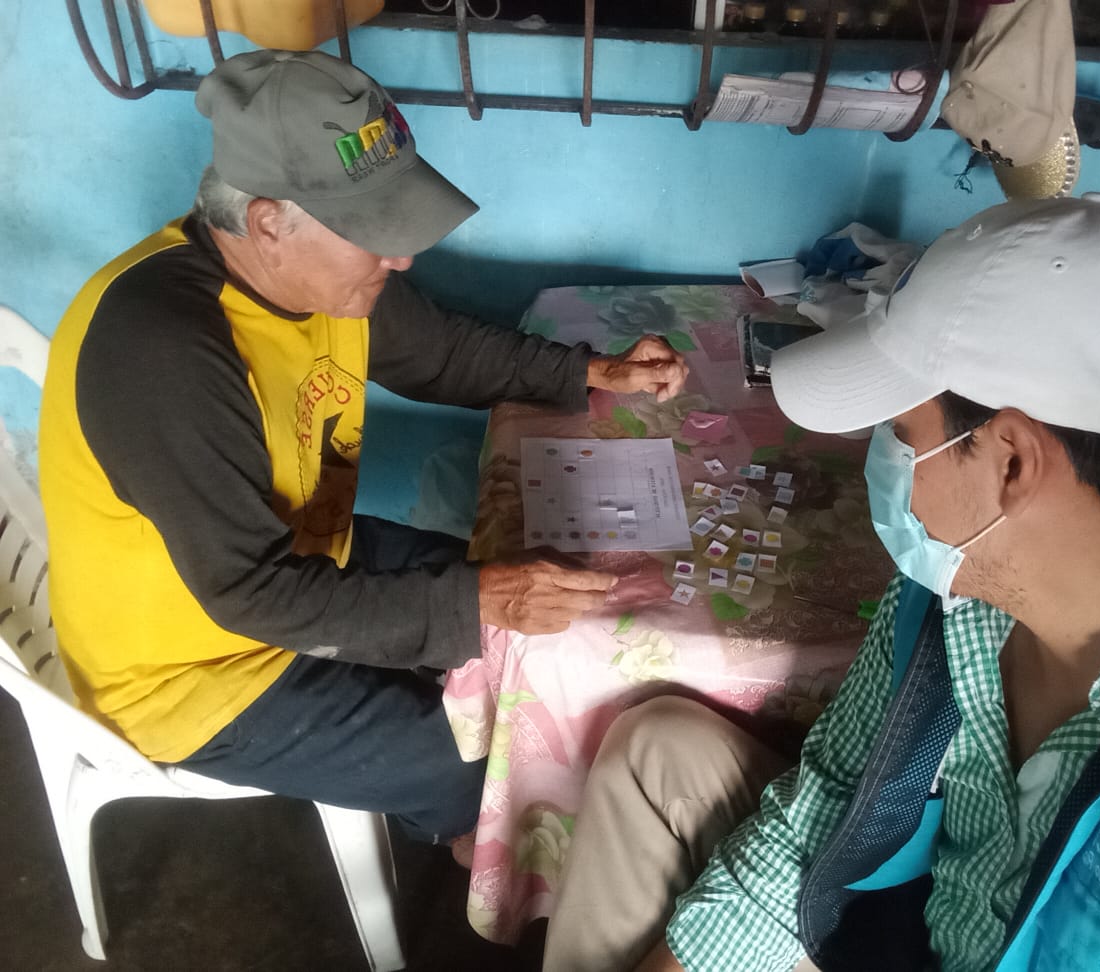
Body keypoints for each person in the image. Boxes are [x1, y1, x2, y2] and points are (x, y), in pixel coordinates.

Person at [542, 195, 1100, 971]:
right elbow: (827, 806)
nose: (886, 463)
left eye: (902, 435)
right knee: (658, 747)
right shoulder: (954, 594)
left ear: (1012, 462)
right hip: (904, 941)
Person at [37, 49, 687, 848]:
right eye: (373, 232)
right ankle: (481, 859)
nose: (401, 257)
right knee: (489, 758)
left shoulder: (313, 279)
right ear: (268, 222)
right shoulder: (163, 349)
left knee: (544, 606)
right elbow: (253, 595)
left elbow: (440, 351)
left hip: (312, 560)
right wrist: (476, 602)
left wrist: (592, 371)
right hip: (195, 672)